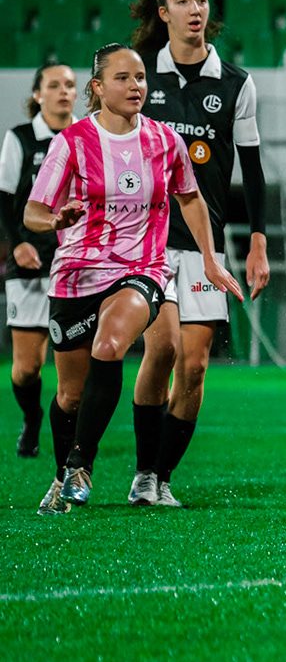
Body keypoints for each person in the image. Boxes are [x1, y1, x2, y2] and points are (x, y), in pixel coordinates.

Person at [23, 44, 242, 515]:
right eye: (123, 78)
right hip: (76, 274)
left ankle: (89, 466)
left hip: (140, 270)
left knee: (112, 345)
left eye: (141, 77)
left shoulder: (165, 141)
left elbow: (191, 199)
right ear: (98, 88)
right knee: (69, 395)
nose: (136, 86)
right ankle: (63, 478)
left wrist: (209, 258)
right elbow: (33, 212)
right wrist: (57, 220)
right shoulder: (73, 142)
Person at [127, 0, 271, 507]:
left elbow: (252, 171)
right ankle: (142, 472)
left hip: (206, 246)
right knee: (161, 347)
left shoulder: (236, 83)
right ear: (162, 13)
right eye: (183, 0)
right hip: (147, 242)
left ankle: (161, 476)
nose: (195, 9)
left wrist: (258, 241)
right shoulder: (140, 76)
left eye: (203, 0)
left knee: (195, 365)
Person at [2, 63, 77, 461]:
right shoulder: (20, 139)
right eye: (54, 85)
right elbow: (3, 199)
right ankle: (32, 419)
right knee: (27, 368)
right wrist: (15, 245)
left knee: (82, 364)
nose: (63, 91)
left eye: (69, 85)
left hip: (78, 261)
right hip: (31, 262)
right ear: (37, 94)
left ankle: (78, 440)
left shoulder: (89, 135)